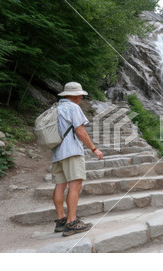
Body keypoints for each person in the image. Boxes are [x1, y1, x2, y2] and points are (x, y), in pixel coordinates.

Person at [51, 82, 103, 237]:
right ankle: (72, 222)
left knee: (60, 185)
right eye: (80, 94)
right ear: (75, 95)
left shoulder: (56, 108)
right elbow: (80, 131)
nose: (81, 97)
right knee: (75, 185)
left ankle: (61, 219)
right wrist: (94, 149)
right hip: (72, 151)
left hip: (57, 152)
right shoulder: (73, 108)